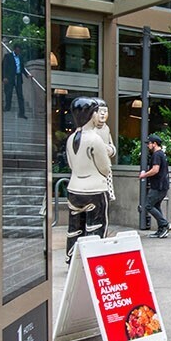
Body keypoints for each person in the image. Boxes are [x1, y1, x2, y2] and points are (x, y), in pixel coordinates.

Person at [64, 97, 114, 263]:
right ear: (91, 115)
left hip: (74, 188)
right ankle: (94, 260)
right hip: (94, 189)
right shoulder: (94, 139)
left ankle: (72, 258)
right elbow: (105, 168)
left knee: (75, 228)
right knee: (95, 226)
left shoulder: (71, 138)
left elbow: (72, 164)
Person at [138, 133, 171, 238]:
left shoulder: (157, 155)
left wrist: (144, 175)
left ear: (154, 144)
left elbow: (155, 170)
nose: (148, 145)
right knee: (156, 206)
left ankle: (164, 224)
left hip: (158, 186)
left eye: (149, 143)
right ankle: (161, 229)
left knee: (148, 205)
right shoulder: (162, 154)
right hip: (162, 185)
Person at [3, 45, 27, 118]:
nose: (18, 52)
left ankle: (22, 113)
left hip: (18, 77)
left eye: (19, 51)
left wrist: (27, 75)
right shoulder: (8, 56)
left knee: (20, 95)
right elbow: (4, 66)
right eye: (17, 50)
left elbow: (22, 68)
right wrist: (4, 77)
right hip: (10, 77)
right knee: (8, 93)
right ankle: (7, 107)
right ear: (14, 50)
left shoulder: (20, 57)